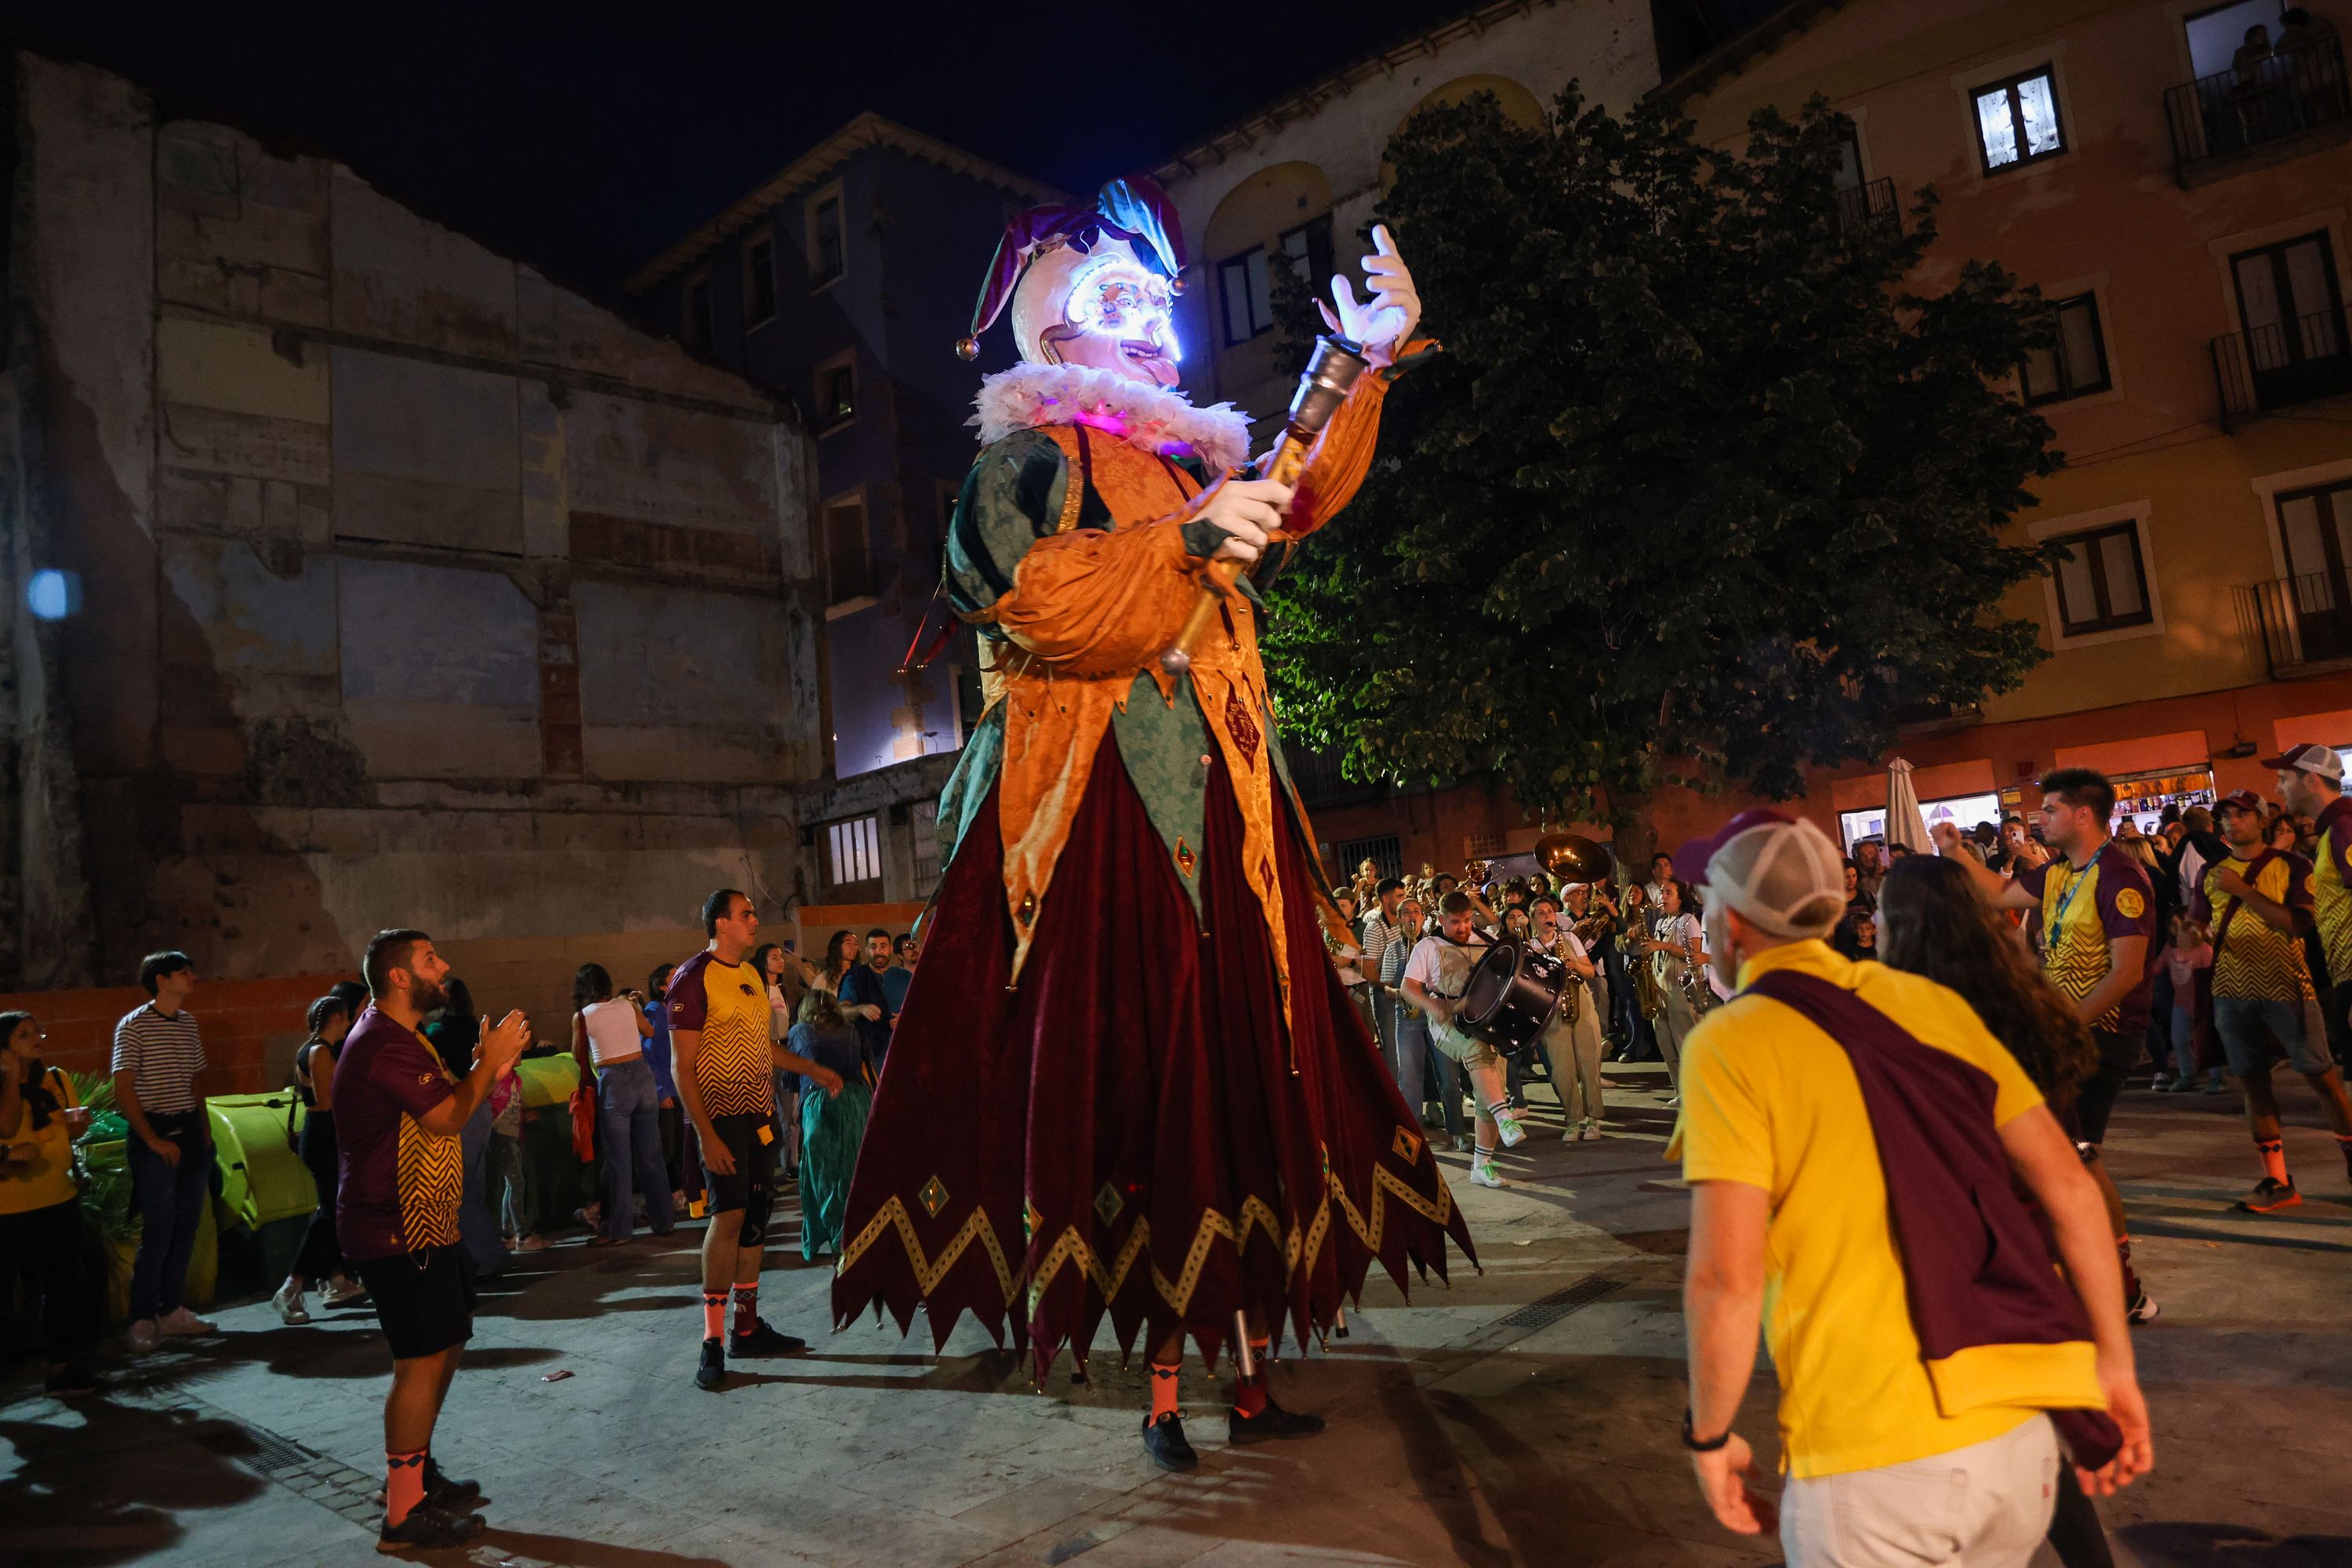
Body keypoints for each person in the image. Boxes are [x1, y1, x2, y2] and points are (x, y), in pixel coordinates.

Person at [836, 186, 1470, 1473]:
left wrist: (1360, 357)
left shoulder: (1193, 463)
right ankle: (1166, 1389)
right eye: (1116, 298)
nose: (1147, 324)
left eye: (1156, 300)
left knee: (1247, 1081)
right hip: (1102, 814)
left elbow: (1284, 496)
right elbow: (1042, 601)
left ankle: (1245, 1372)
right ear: (1053, 327)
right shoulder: (1030, 463)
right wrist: (1186, 542)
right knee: (1145, 1083)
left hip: (1229, 804)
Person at [1671, 812, 2152, 1566]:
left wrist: (1709, 1432)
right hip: (2019, 1436)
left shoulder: (1732, 1044)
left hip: (1876, 1461)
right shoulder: (1929, 1006)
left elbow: (1726, 1279)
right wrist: (2114, 1368)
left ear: (1732, 927)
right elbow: (2071, 1186)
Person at [1873, 851, 2144, 1568]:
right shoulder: (2023, 997)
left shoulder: (1918, 1021)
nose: (1868, 924)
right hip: (2032, 1249)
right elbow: (2069, 1173)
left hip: (1968, 1253)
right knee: (2031, 1434)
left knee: (1990, 1435)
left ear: (1902, 926)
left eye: (1877, 911)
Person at [336, 927, 531, 1551]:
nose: (442, 966)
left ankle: (415, 1475)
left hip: (428, 1224)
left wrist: (489, 1068)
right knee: (419, 1363)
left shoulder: (406, 1038)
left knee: (443, 1347)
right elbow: (448, 1115)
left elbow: (456, 1107)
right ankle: (402, 1516)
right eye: (429, 960)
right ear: (399, 976)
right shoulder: (381, 1044)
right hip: (396, 1228)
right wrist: (485, 1063)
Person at [1935, 769, 2157, 1316]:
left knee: (2076, 1154)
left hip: (2100, 1034)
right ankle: (2112, 1281)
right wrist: (1956, 851)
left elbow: (2127, 973)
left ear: (2084, 815)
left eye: (2052, 809)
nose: (2041, 819)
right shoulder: (2058, 872)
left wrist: (2066, 1025)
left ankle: (2121, 1283)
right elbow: (1995, 896)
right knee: (2071, 1152)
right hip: (2065, 1033)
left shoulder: (2120, 879)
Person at [670, 890, 844, 1392]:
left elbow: (759, 1046)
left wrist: (810, 1067)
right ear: (721, 923)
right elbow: (682, 1068)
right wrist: (705, 1136)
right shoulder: (692, 978)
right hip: (720, 1119)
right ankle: (712, 1341)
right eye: (746, 915)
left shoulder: (748, 977)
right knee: (726, 1220)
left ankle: (747, 1327)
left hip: (759, 1117)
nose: (754, 921)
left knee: (755, 1219)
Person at [2187, 788, 2352, 1212]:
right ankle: (2277, 1180)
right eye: (2225, 816)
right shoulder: (2210, 870)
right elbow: (2195, 925)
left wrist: (2242, 890)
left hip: (2287, 987)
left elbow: (2297, 925)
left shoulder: (2293, 865)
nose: (2231, 822)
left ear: (2263, 821)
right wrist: (2186, 935)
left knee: (2322, 1078)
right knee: (2253, 1082)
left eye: (2241, 814)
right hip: (2230, 989)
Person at [113, 950, 217, 1351]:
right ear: (161, 980)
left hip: (190, 1132)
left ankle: (172, 1310)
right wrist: (153, 1141)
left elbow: (194, 1079)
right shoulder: (133, 1026)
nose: (193, 977)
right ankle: (141, 1317)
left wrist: (204, 1130)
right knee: (158, 1230)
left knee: (186, 1226)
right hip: (154, 1133)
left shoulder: (188, 1022)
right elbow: (124, 1087)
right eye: (183, 972)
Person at [2, 1011, 100, 1394]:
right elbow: (7, 1128)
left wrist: (77, 1128)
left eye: (37, 1031)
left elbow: (69, 1130)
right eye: (24, 1035)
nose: (37, 1038)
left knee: (64, 1285)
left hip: (57, 1197)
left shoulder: (55, 1079)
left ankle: (61, 1369)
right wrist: (10, 1075)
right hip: (6, 1206)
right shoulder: (4, 1081)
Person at [1403, 891, 1526, 1189]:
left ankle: (1481, 1166)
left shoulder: (1484, 941)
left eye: (1468, 920)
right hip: (1446, 1020)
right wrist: (1433, 1006)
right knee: (1476, 1052)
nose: (1463, 927)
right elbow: (1408, 987)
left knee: (1490, 1088)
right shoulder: (1428, 945)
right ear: (1442, 920)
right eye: (1456, 922)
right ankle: (1506, 1118)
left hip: (1486, 1020)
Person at [274, 995, 367, 1323]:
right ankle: (292, 1286)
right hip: (326, 1134)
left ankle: (308, 1283)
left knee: (332, 1211)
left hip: (323, 1133)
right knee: (329, 1213)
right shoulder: (319, 1052)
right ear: (338, 1018)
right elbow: (329, 1103)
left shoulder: (311, 1049)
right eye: (347, 1018)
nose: (349, 1023)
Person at [570, 964, 674, 1246]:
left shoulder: (582, 1017)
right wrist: (632, 1007)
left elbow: (578, 1056)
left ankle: (620, 1230)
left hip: (614, 1081)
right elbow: (649, 1032)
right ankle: (663, 1220)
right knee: (652, 1156)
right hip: (643, 1077)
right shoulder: (626, 1006)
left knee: (619, 1161)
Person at [789, 990, 872, 1260]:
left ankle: (836, 1239)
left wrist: (795, 1113)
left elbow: (792, 1079)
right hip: (856, 1101)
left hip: (820, 1103)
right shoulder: (852, 1030)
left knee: (823, 1176)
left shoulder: (799, 1031)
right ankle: (856, 1235)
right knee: (853, 1172)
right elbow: (865, 1070)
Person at [1530, 895, 1606, 1141]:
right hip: (1551, 1010)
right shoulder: (1530, 947)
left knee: (1589, 1063)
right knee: (1562, 1069)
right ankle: (1573, 1120)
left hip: (1580, 1001)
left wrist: (1574, 964)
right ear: (1533, 920)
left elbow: (1590, 971)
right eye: (1541, 913)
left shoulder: (1570, 938)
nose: (1547, 916)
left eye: (1550, 912)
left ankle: (1593, 1119)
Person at [1642, 880, 1708, 1102]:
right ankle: (1680, 1092)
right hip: (1660, 988)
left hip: (1679, 987)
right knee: (1666, 1044)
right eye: (1661, 892)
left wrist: (1664, 946)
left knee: (1684, 1043)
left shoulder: (1688, 920)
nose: (1663, 896)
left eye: (1669, 892)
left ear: (1680, 898)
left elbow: (1695, 953)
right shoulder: (1661, 921)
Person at [2158, 915, 2222, 1094]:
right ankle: (2187, 1074)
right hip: (2181, 1003)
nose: (2175, 927)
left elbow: (2213, 977)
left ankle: (2217, 1077)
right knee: (2179, 1040)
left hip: (2203, 1004)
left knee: (2207, 1039)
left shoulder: (2204, 950)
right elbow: (2157, 968)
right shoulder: (2170, 949)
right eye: (2172, 923)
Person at [837, 929, 895, 1071]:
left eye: (883, 946)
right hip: (871, 1053)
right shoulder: (855, 978)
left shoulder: (905, 978)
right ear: (866, 950)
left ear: (891, 949)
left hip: (904, 1049)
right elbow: (842, 1010)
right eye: (873, 947)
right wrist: (861, 1009)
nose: (878, 951)